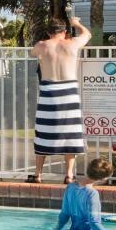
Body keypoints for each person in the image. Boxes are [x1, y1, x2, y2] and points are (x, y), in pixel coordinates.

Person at [33, 12, 89, 184]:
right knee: (70, 134)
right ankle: (69, 175)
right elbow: (87, 34)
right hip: (69, 91)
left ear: (49, 32)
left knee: (43, 133)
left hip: (49, 91)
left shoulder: (41, 45)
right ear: (65, 31)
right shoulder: (72, 44)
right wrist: (76, 23)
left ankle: (38, 174)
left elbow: (32, 52)